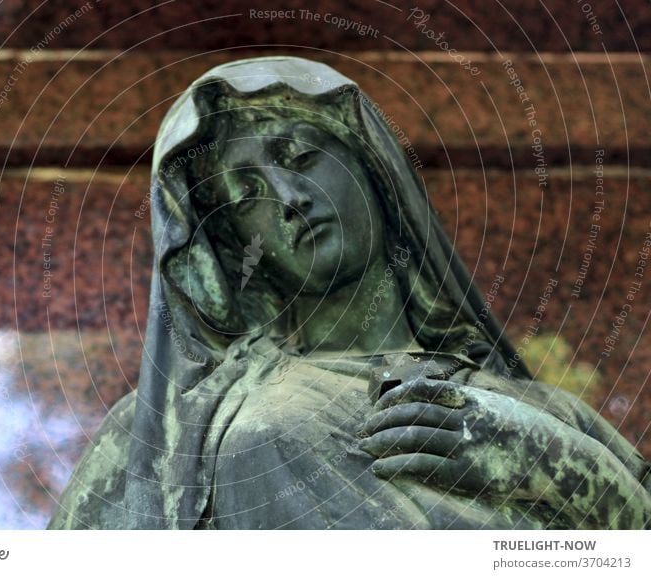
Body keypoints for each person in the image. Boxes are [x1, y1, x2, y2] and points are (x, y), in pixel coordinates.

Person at [49, 56, 651, 529]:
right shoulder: (164, 435)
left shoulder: (547, 419)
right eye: (247, 194)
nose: (288, 197)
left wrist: (560, 468)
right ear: (234, 244)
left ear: (373, 170)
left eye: (303, 157)